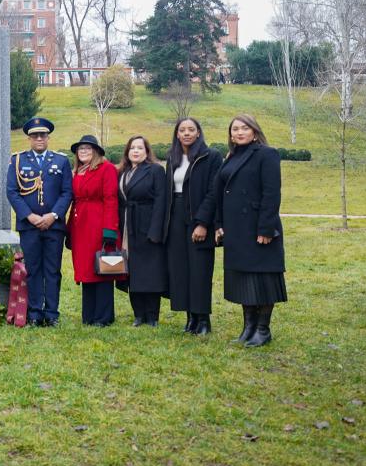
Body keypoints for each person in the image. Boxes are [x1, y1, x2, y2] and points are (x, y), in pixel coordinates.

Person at [203, 114, 287, 347]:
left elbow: (272, 193)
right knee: (243, 279)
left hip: (257, 228)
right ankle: (248, 328)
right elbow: (220, 193)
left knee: (263, 279)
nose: (239, 133)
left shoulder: (267, 154)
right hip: (235, 230)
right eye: (235, 129)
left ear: (254, 131)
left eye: (244, 128)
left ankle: (263, 329)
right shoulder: (230, 157)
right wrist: (218, 225)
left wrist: (266, 228)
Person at [6, 117, 73, 327]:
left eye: (43, 135)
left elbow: (67, 192)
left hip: (54, 226)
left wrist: (52, 215)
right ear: (29, 138)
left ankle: (51, 313)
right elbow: (12, 192)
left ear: (48, 137)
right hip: (29, 226)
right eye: (35, 135)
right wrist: (30, 216)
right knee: (33, 269)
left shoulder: (61, 161)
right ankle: (34, 313)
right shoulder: (18, 160)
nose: (39, 139)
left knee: (52, 270)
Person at [161, 118, 224, 335]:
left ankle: (203, 319)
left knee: (200, 270)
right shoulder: (173, 157)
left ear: (198, 133)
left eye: (191, 130)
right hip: (175, 217)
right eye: (182, 130)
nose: (186, 133)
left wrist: (203, 223)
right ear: (177, 134)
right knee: (180, 270)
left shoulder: (211, 156)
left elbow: (214, 192)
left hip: (198, 216)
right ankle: (190, 318)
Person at [66, 135, 120, 327]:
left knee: (102, 269)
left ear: (96, 151)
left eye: (88, 148)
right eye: (81, 149)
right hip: (81, 226)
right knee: (86, 270)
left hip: (98, 224)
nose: (84, 152)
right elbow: (75, 201)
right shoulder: (77, 172)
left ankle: (104, 316)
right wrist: (69, 230)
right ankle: (88, 315)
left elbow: (111, 199)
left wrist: (110, 230)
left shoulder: (107, 169)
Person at [117, 135, 168, 327]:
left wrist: (155, 231)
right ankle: (138, 314)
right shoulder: (122, 172)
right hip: (127, 227)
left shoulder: (155, 170)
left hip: (147, 226)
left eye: (140, 148)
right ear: (127, 152)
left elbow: (161, 201)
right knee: (132, 272)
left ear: (147, 151)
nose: (136, 151)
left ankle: (152, 316)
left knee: (150, 272)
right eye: (132, 148)